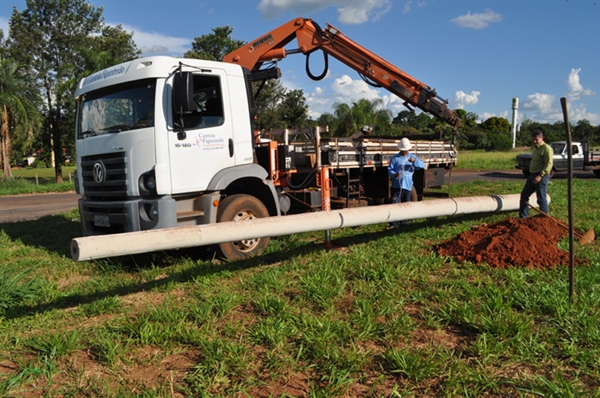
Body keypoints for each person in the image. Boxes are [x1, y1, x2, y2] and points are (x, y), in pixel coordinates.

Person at [387, 137, 425, 229]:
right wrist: (395, 174)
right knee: (395, 204)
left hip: (407, 186)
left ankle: (404, 222)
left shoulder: (412, 157)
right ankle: (393, 223)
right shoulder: (395, 159)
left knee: (406, 204)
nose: (405, 152)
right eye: (403, 150)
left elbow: (421, 165)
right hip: (397, 185)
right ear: (400, 149)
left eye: (406, 150)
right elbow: (390, 169)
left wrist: (414, 161)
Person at [519, 129, 553, 218]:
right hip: (532, 175)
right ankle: (523, 217)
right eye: (533, 139)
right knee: (524, 195)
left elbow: (549, 164)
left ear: (542, 138)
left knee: (541, 197)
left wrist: (540, 175)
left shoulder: (547, 148)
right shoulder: (536, 149)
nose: (534, 141)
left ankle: (544, 218)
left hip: (541, 175)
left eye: (536, 140)